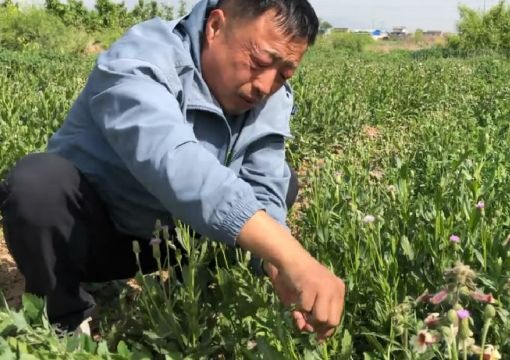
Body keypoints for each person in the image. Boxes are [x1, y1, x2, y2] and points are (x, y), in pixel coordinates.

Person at [0, 0, 345, 342]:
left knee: (283, 186)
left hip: (173, 238)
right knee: (37, 184)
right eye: (259, 62)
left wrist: (275, 263)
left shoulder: (271, 96)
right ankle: (66, 324)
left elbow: (264, 181)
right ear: (215, 26)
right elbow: (172, 161)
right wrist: (291, 255)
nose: (265, 85)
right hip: (93, 237)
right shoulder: (143, 56)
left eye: (284, 73)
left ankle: (192, 298)